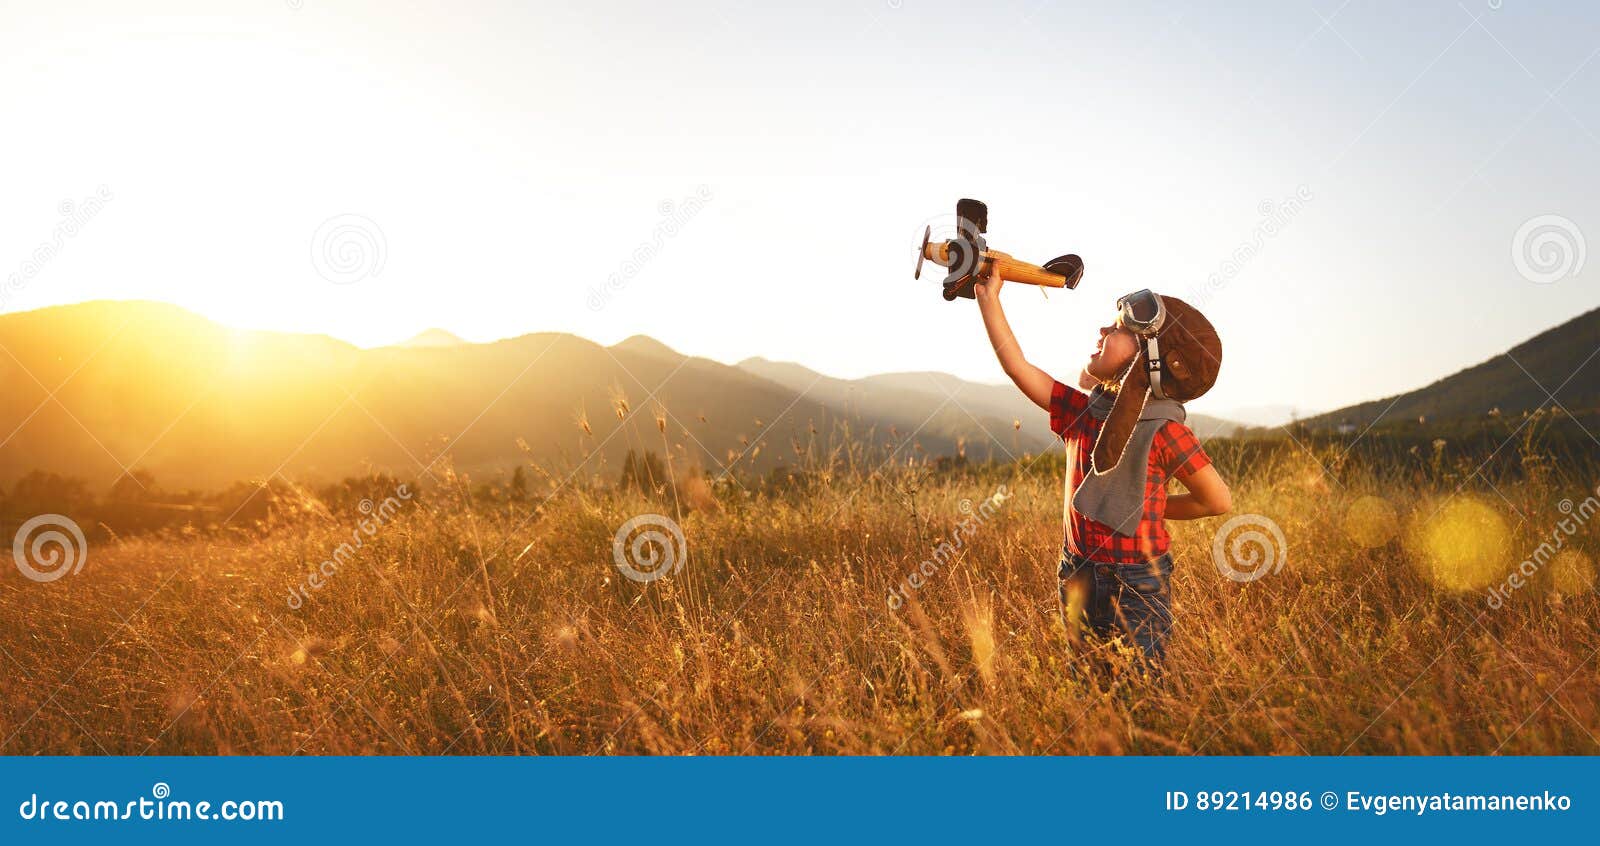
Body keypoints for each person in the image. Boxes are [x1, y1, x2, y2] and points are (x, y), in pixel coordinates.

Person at [974, 262, 1231, 664]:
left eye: (1117, 330)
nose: (1103, 332)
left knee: (1139, 689)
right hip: (1077, 570)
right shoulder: (1083, 412)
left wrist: (1155, 507)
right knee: (1086, 682)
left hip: (1138, 583)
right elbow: (1017, 366)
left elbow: (1216, 501)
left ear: (1150, 357)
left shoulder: (1165, 431)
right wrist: (989, 300)